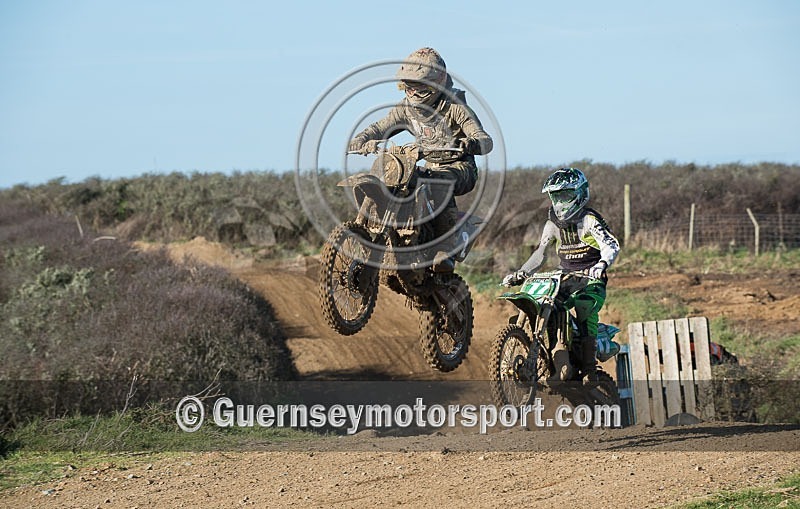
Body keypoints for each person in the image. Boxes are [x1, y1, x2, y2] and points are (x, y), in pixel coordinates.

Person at [348, 47, 493, 272]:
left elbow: (484, 138)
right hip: (426, 165)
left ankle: (445, 249)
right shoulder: (405, 109)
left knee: (439, 181)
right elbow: (381, 126)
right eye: (410, 86)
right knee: (401, 179)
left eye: (421, 86)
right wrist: (362, 138)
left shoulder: (455, 107)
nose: (414, 92)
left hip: (459, 166)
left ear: (437, 83)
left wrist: (471, 143)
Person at [502, 168, 620, 384]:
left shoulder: (589, 220)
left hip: (591, 279)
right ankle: (556, 355)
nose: (560, 202)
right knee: (548, 303)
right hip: (564, 278)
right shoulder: (552, 225)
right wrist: (522, 272)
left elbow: (610, 245)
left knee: (585, 307)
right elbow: (540, 253)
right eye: (556, 197)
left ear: (579, 193)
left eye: (565, 195)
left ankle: (589, 371)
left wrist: (602, 264)